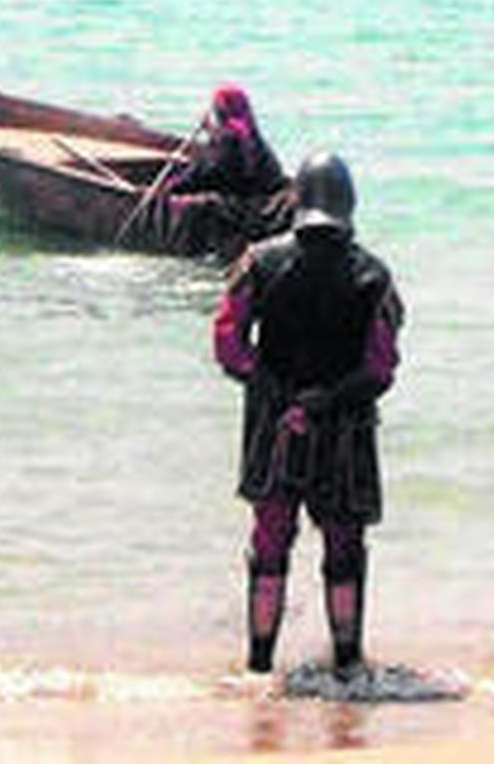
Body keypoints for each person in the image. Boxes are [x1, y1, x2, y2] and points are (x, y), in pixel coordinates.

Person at [212, 152, 405, 675]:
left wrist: (274, 389)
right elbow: (381, 368)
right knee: (345, 546)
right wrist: (327, 399)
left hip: (273, 425)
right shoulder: (374, 275)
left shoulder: (258, 261)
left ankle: (258, 665)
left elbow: (229, 344)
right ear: (349, 203)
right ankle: (347, 665)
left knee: (269, 543)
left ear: (297, 200)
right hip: (344, 428)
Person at [167, 84, 286, 198]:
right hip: (260, 193)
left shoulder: (228, 139)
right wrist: (212, 132)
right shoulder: (251, 134)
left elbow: (207, 174)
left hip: (239, 201)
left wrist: (171, 186)